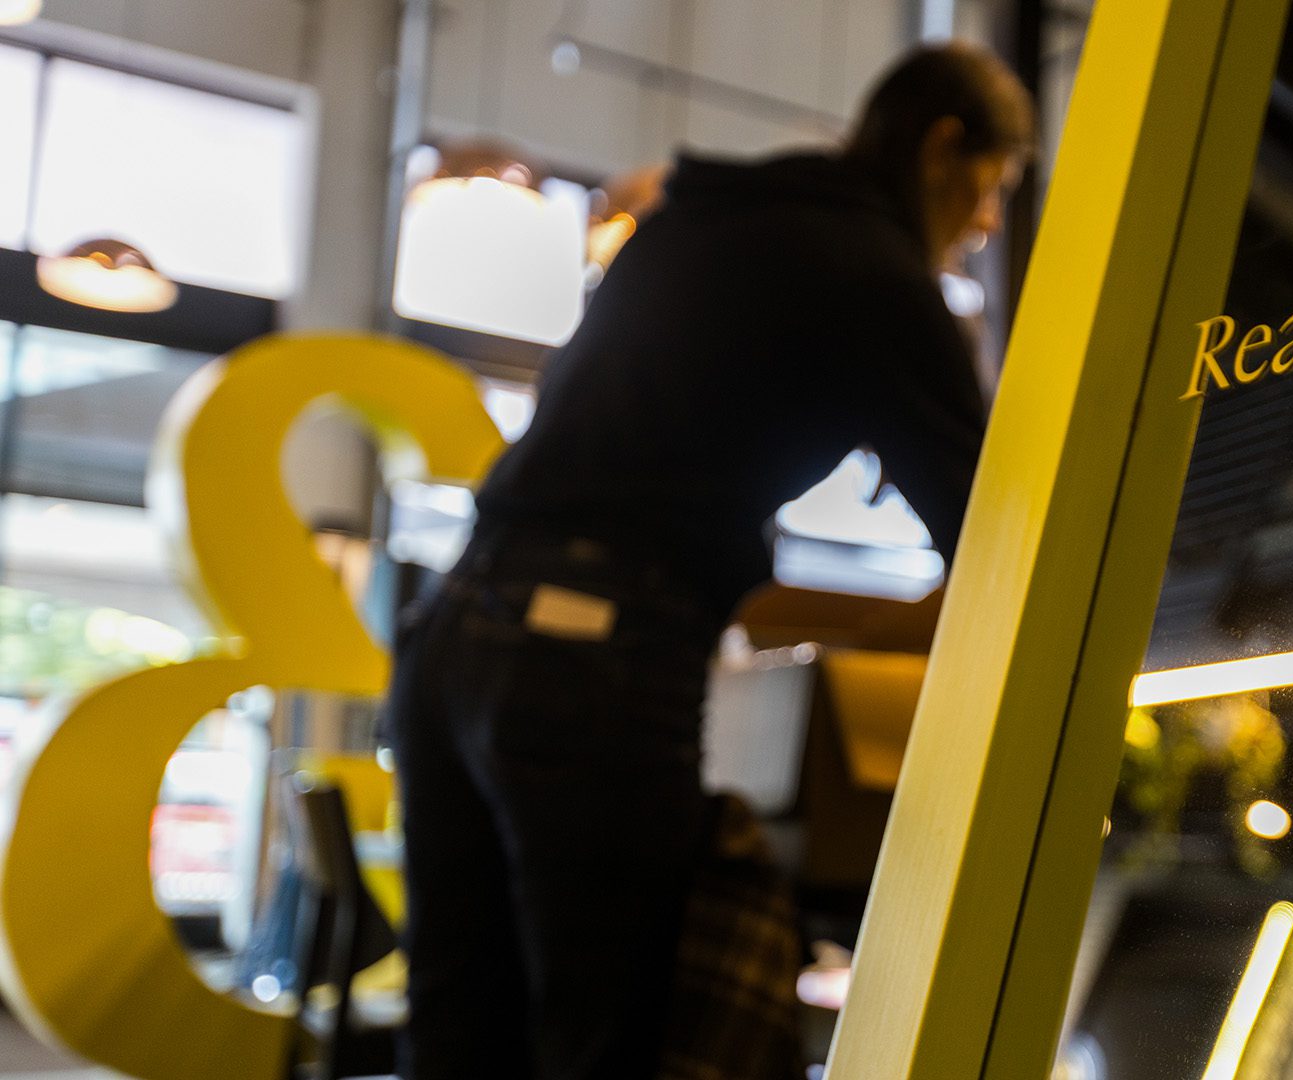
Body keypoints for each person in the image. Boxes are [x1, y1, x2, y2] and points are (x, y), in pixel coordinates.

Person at [386, 43, 1033, 1080]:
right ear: (943, 147)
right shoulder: (877, 272)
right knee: (605, 1043)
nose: (989, 221)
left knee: (462, 1031)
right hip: (590, 657)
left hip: (455, 632)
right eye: (992, 185)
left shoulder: (706, 217)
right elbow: (997, 537)